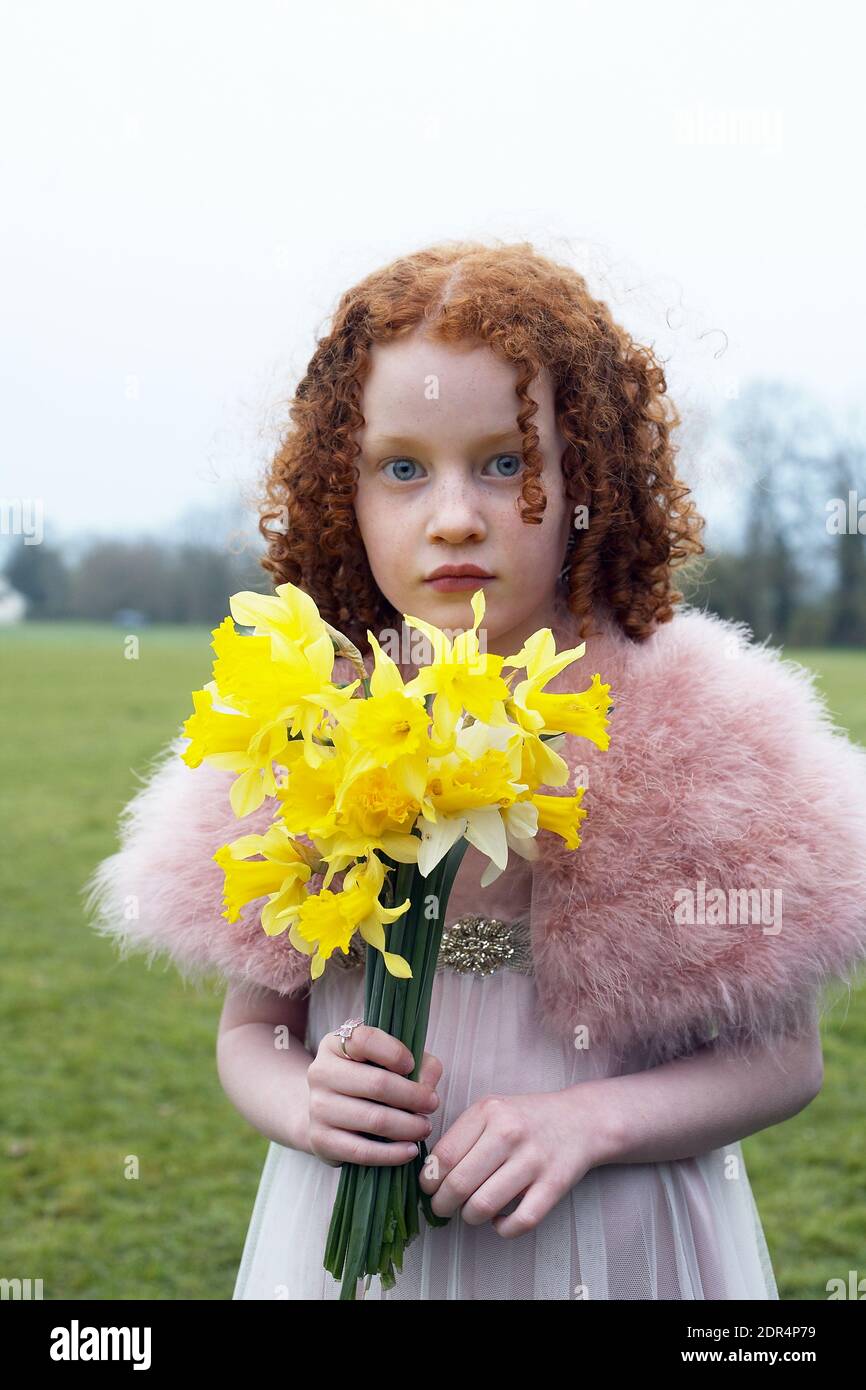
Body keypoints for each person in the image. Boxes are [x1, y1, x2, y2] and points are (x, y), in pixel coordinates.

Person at [215, 239, 824, 1300]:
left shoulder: (696, 729)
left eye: (504, 462)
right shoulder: (305, 714)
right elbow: (249, 1034)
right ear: (339, 492)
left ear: (588, 476)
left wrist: (591, 1121)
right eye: (402, 467)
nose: (454, 514)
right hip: (358, 1240)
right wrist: (307, 1103)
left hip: (610, 1234)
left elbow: (782, 1061)